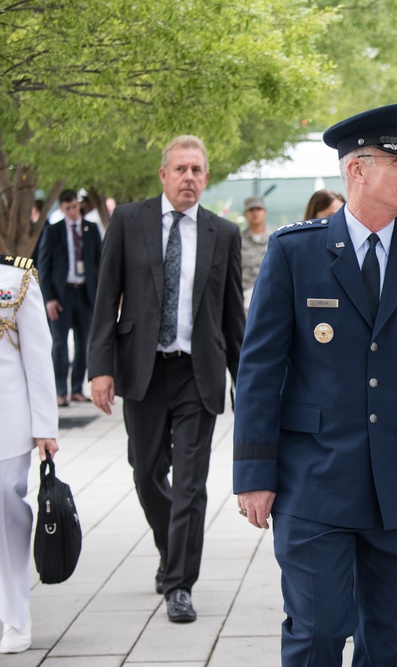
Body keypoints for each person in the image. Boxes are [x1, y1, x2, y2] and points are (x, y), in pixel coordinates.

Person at [233, 103, 397, 666]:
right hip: (313, 481)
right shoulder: (295, 252)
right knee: (318, 632)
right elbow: (259, 372)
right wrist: (253, 473)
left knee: (388, 642)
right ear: (357, 169)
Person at [88, 135, 245, 623]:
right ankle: (169, 546)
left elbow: (232, 316)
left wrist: (248, 383)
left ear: (206, 177)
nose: (189, 178)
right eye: (181, 170)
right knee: (145, 471)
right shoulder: (129, 222)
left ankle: (180, 583)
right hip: (143, 368)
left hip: (197, 373)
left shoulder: (224, 232)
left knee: (192, 485)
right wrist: (100, 367)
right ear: (163, 175)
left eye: (198, 170)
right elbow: (106, 295)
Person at [0, 255, 59, 654]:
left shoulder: (14, 278)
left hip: (8, 420)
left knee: (6, 516)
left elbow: (37, 354)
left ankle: (15, 616)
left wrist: (45, 426)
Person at [37, 189, 102, 406]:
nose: (72, 212)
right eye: (67, 209)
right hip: (62, 294)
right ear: (61, 209)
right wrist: (49, 299)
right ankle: (61, 390)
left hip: (85, 293)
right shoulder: (53, 231)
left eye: (74, 207)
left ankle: (77, 388)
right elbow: (43, 268)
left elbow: (100, 263)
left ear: (79, 205)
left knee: (84, 342)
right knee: (59, 344)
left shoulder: (91, 229)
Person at [240, 196, 270, 309]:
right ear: (245, 213)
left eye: (258, 209)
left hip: (269, 299)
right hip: (245, 303)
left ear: (265, 212)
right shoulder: (238, 240)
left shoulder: (274, 239)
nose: (255, 213)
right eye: (251, 210)